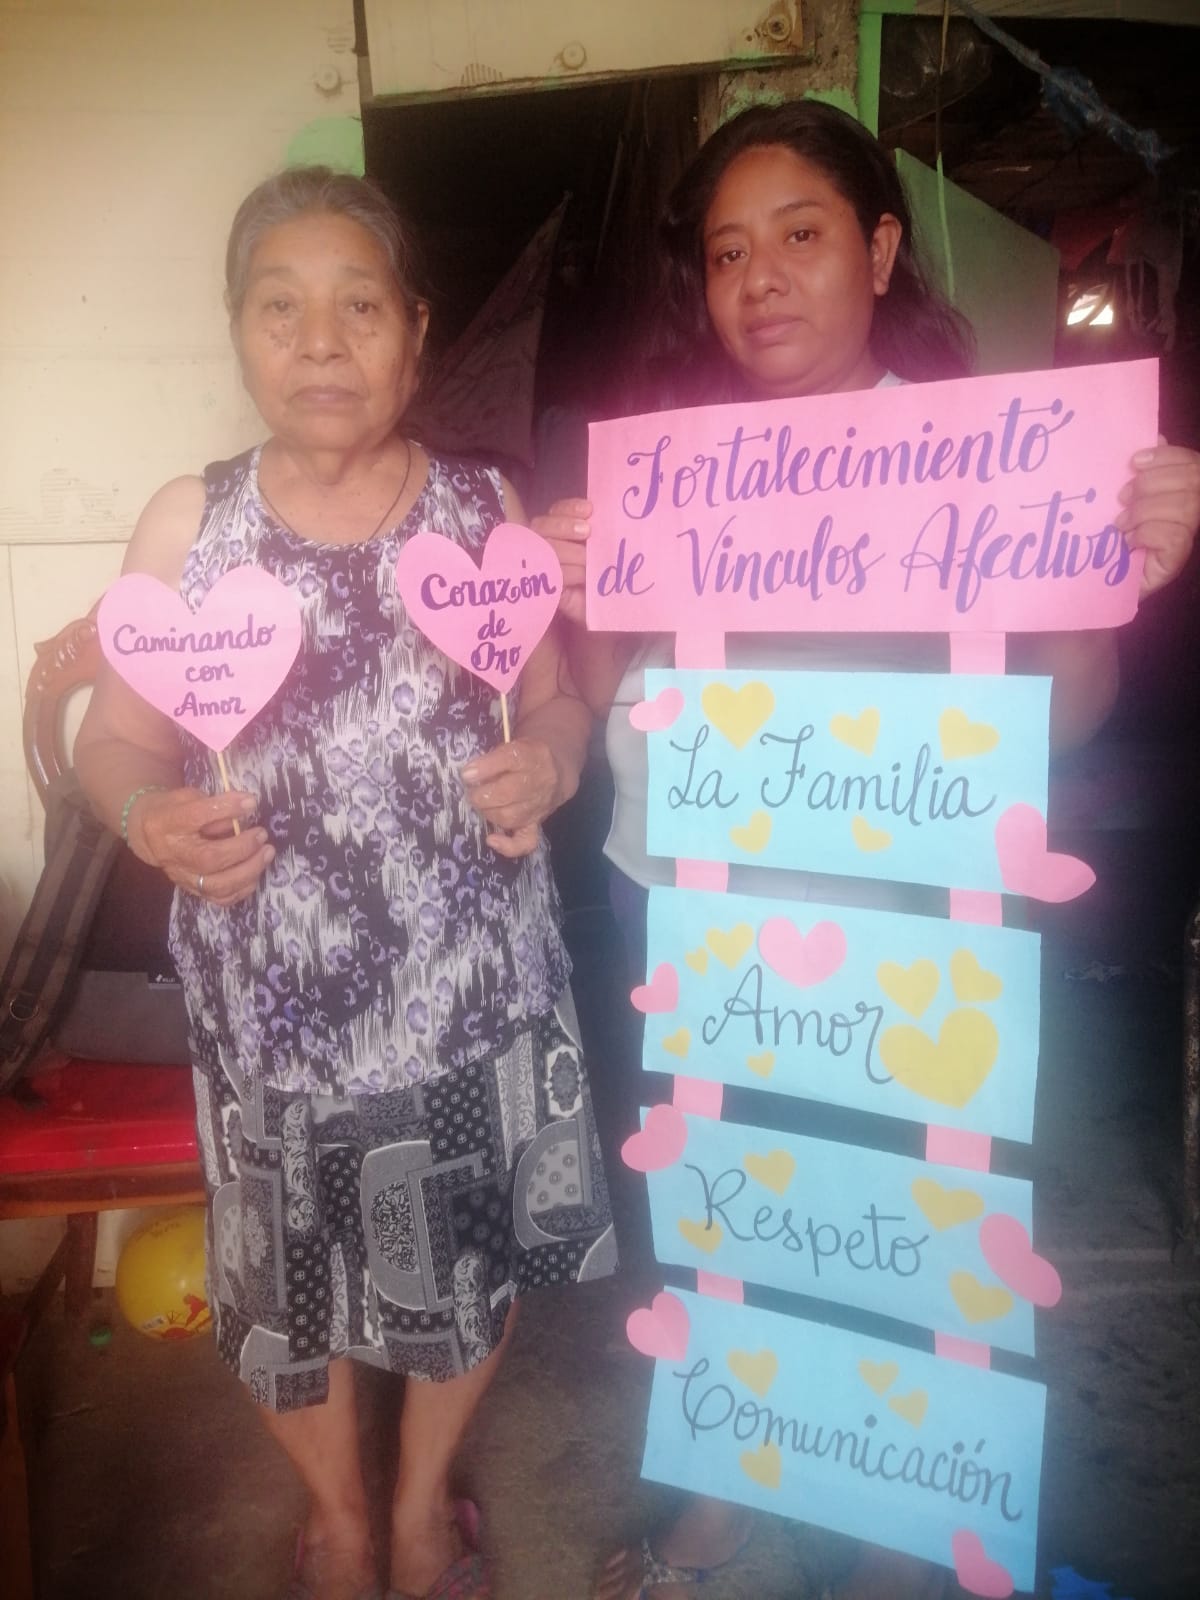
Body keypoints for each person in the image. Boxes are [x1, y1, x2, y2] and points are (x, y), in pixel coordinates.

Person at [531, 100, 1200, 1600]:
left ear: (883, 249)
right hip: (687, 910)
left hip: (904, 927)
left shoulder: (991, 460)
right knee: (727, 1213)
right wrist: (580, 594)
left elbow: (1062, 718)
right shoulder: (673, 470)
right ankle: (728, 1489)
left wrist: (1120, 566)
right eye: (726, 253)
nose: (759, 277)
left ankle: (903, 1514)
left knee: (898, 1227)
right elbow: (603, 693)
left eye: (801, 234)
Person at [74, 167, 615, 1600]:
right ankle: (344, 1518)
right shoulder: (188, 526)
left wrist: (553, 766)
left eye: (359, 307)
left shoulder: (483, 508)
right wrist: (146, 815)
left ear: (417, 333)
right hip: (274, 1010)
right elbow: (112, 742)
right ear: (238, 333)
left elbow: (556, 703)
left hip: (472, 990)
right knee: (283, 1293)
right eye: (281, 308)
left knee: (469, 1266)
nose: (320, 342)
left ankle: (421, 1504)